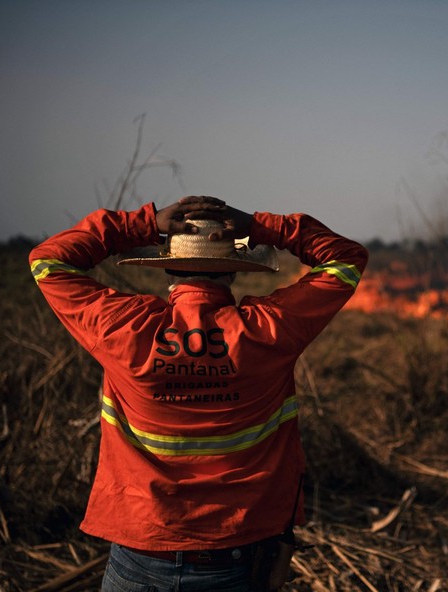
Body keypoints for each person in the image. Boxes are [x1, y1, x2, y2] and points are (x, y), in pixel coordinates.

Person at [29, 196, 368, 591]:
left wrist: (143, 222)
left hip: (141, 553)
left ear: (167, 266)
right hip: (236, 556)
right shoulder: (270, 330)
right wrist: (260, 226)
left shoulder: (123, 327)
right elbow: (345, 258)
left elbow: (47, 260)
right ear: (233, 272)